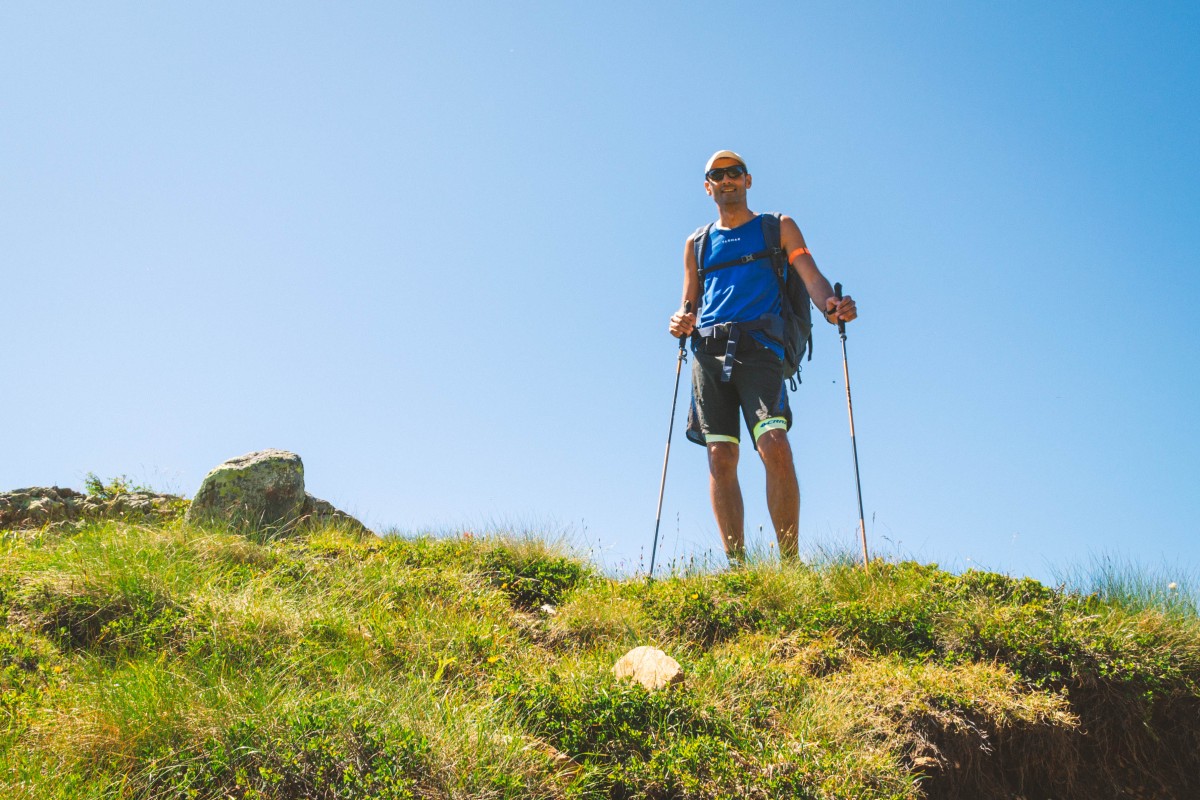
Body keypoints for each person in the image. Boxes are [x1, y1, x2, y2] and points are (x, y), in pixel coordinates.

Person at [668, 150, 857, 563]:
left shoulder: (778, 227)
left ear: (748, 180)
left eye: (734, 172)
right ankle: (738, 567)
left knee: (774, 444)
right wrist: (680, 319)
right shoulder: (696, 244)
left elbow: (811, 275)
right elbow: (689, 303)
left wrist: (830, 306)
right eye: (717, 175)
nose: (726, 179)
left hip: (760, 350)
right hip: (708, 353)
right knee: (720, 455)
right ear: (707, 187)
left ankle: (789, 564)